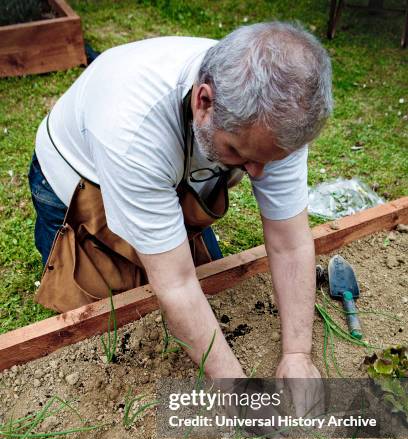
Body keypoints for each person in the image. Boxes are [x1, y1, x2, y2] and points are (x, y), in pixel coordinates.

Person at [28, 21, 333, 382]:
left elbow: (290, 242)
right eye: (240, 152)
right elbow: (175, 283)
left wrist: (297, 354)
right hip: (77, 181)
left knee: (205, 293)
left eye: (270, 159)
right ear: (203, 101)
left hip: (168, 172)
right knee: (103, 329)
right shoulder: (133, 129)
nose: (258, 174)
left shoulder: (277, 117)